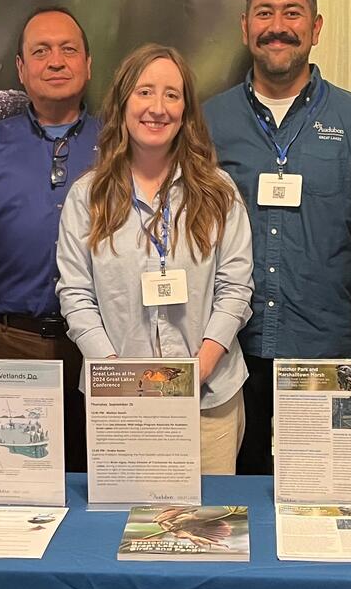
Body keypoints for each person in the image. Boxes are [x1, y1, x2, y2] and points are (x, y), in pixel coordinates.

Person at [205, 0, 351, 474]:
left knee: (331, 495)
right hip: (232, 355)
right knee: (237, 506)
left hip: (324, 348)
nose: (277, 26)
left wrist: (338, 282)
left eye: (292, 13)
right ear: (244, 27)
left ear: (315, 27)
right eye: (264, 13)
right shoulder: (209, 121)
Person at [56, 44, 254, 472]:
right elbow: (75, 296)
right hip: (121, 408)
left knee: (205, 529)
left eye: (172, 94)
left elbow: (236, 290)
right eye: (145, 92)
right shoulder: (86, 198)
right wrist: (118, 378)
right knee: (128, 529)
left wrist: (194, 374)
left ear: (186, 111)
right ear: (124, 102)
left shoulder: (219, 193)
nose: (157, 108)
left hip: (209, 400)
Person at [0, 6, 102, 472]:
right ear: (21, 69)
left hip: (102, 347)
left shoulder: (120, 145)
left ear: (88, 64)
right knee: (11, 482)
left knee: (104, 489)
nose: (56, 61)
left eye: (69, 50)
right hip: (7, 344)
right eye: (41, 51)